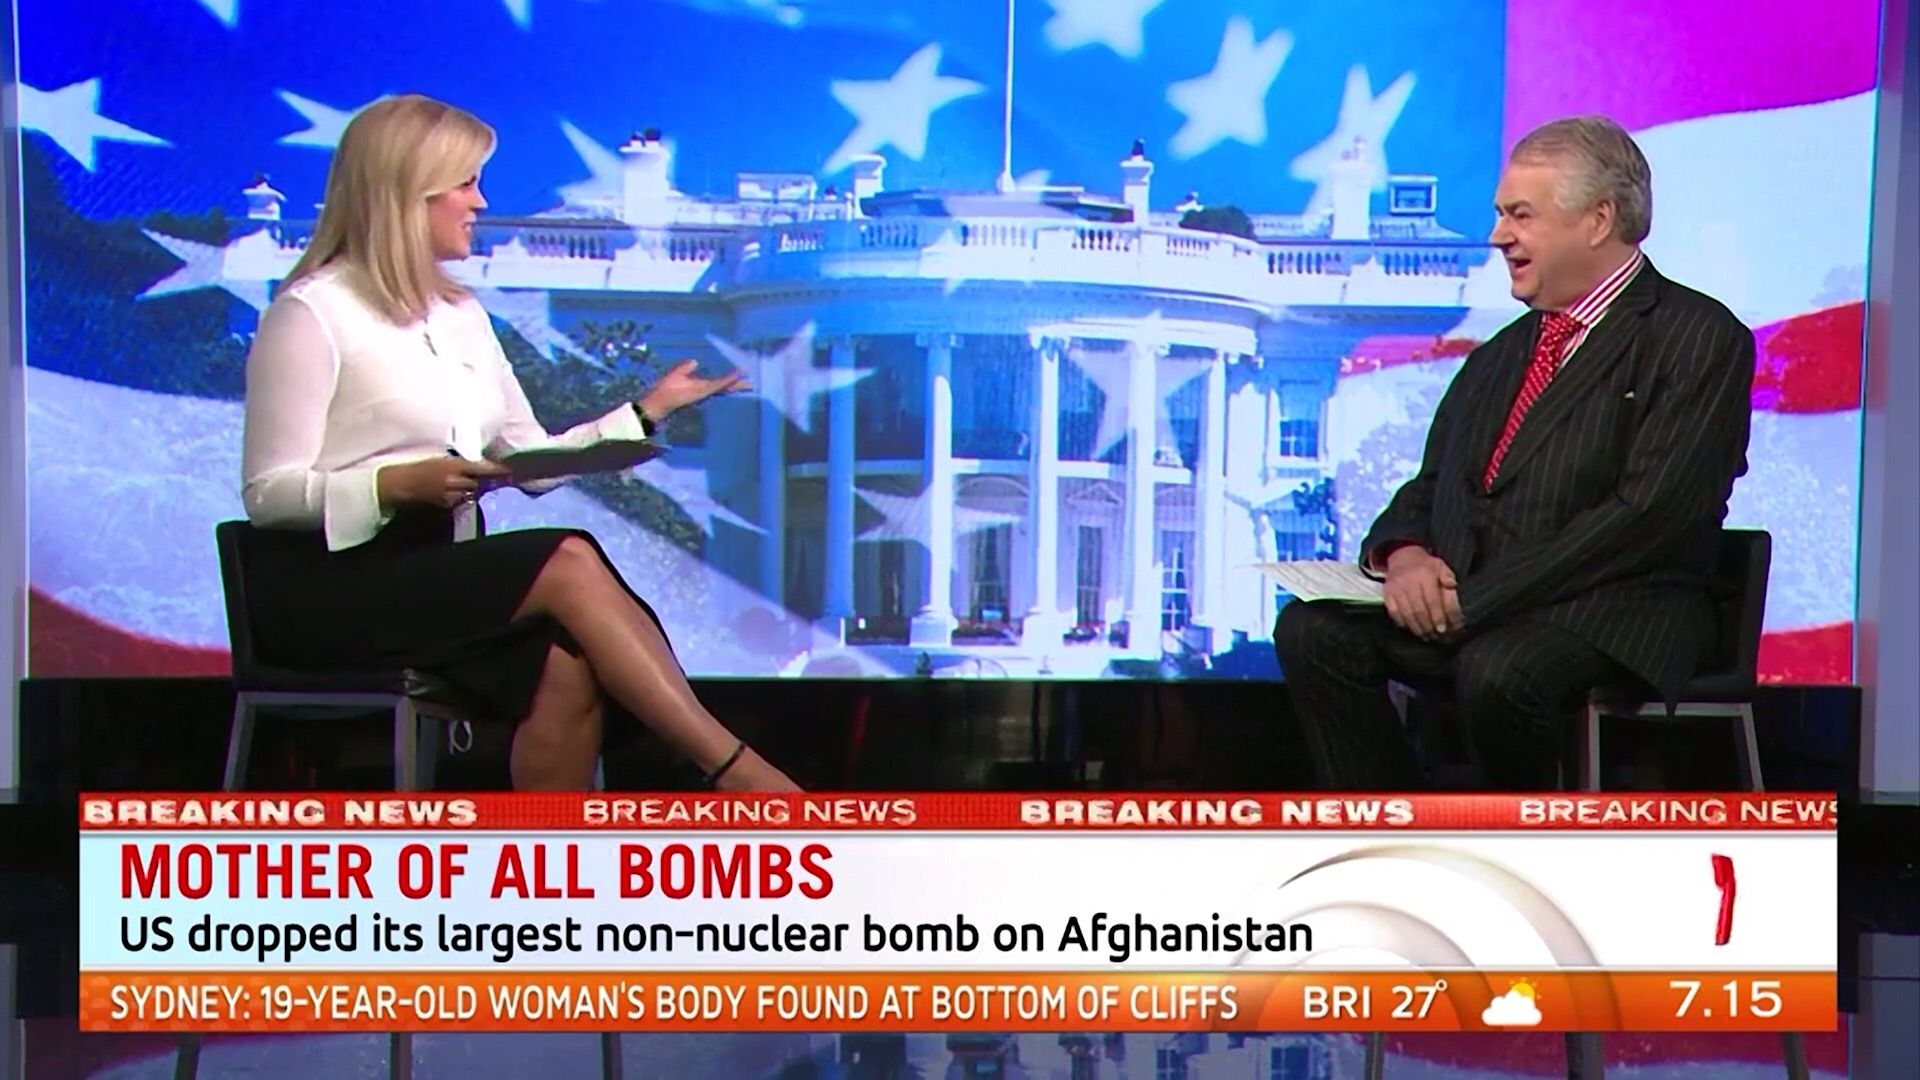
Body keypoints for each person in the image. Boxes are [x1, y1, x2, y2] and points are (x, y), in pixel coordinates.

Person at [239, 94, 799, 792]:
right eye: (466, 183)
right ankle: (735, 770)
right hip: (333, 587)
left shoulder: (463, 317)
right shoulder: (311, 312)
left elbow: (528, 459)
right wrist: (392, 486)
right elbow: (267, 494)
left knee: (567, 659)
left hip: (441, 574)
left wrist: (646, 412)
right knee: (567, 556)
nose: (480, 202)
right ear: (407, 192)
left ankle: (551, 851)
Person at [1273, 115, 1755, 790]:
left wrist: (1475, 601)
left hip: (1612, 606)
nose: (1499, 236)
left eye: (1520, 216)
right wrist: (1405, 557)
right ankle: (1399, 828)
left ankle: (1513, 844)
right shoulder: (1500, 356)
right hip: (1482, 605)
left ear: (1597, 220)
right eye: (1501, 214)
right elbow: (1430, 486)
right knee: (1312, 632)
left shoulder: (1698, 337)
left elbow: (1647, 515)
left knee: (1498, 670)